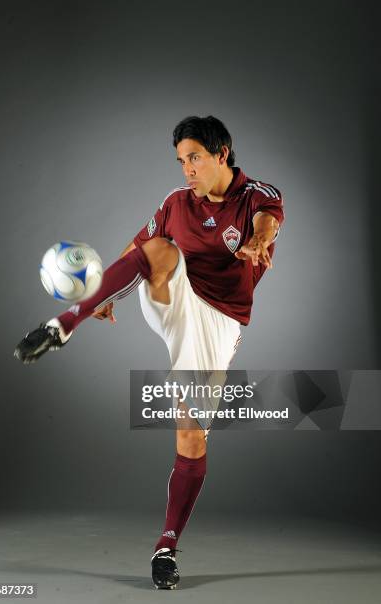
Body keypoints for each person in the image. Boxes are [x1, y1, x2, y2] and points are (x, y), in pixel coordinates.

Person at [14, 115, 285, 590]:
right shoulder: (176, 203)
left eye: (195, 158)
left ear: (223, 154)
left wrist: (257, 244)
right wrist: (104, 294)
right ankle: (63, 324)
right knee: (160, 248)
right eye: (181, 161)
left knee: (191, 436)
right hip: (175, 296)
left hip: (218, 322)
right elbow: (138, 249)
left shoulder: (257, 195)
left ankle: (166, 547)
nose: (187, 170)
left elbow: (267, 224)